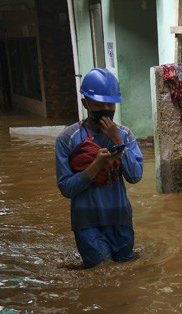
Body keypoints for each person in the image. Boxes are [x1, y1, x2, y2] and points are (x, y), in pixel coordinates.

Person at [55, 68, 144, 268]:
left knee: (125, 272)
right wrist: (96, 166)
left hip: (120, 220)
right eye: (98, 104)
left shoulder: (125, 134)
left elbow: (135, 176)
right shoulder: (67, 138)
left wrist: (118, 141)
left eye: (110, 104)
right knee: (101, 273)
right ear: (85, 103)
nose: (105, 108)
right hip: (87, 223)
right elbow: (66, 188)